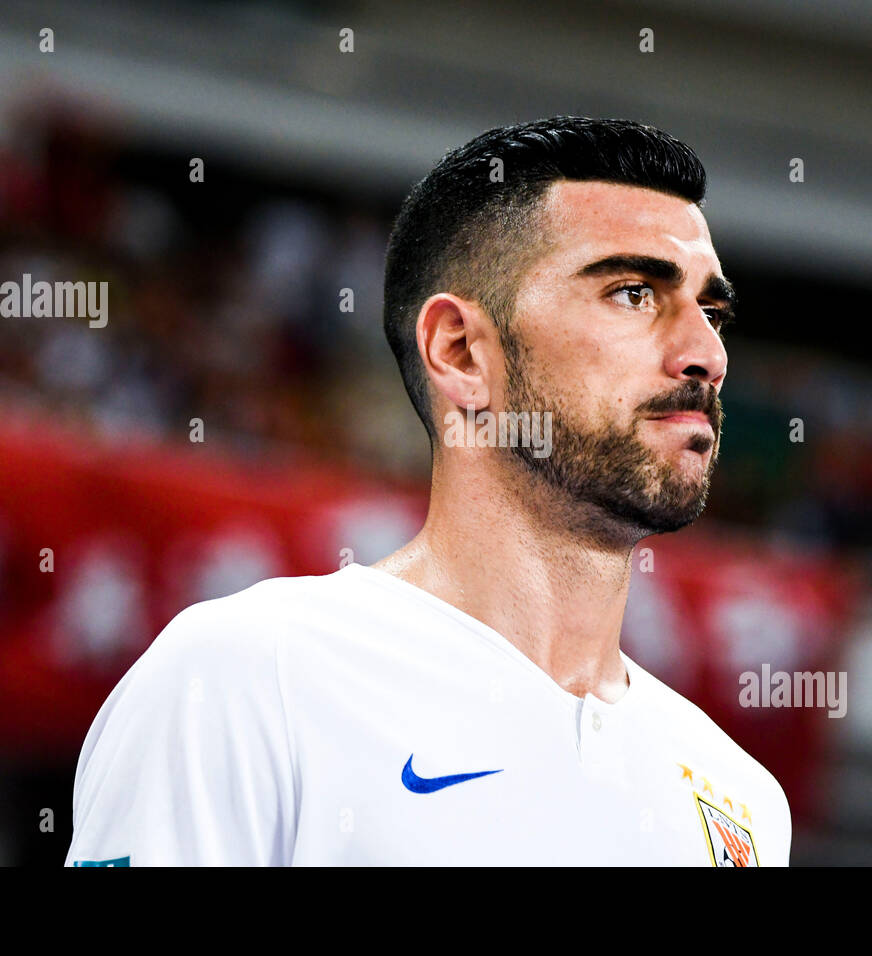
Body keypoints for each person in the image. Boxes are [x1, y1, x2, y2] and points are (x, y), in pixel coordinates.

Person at [66, 116, 789, 866]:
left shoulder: (741, 800)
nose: (706, 353)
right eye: (634, 293)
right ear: (461, 351)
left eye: (713, 311)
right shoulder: (248, 677)